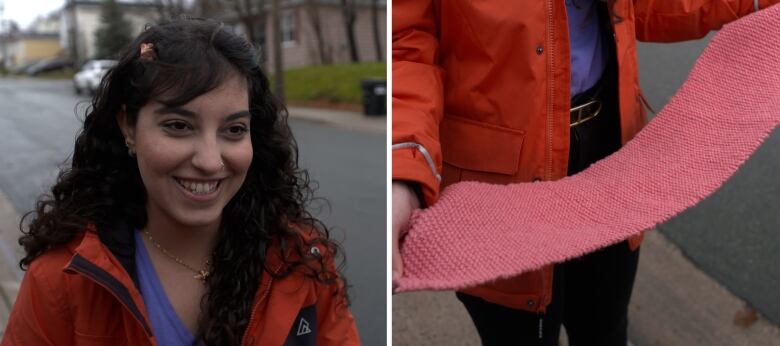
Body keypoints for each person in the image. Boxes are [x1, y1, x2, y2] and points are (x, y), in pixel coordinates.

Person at [392, 1, 778, 345]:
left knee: (606, 328)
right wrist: (402, 170)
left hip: (612, 153)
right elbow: (405, 45)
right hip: (502, 184)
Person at [3, 18, 359, 346]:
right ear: (129, 126)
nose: (209, 160)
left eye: (234, 130)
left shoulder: (303, 259)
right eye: (178, 126)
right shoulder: (61, 281)